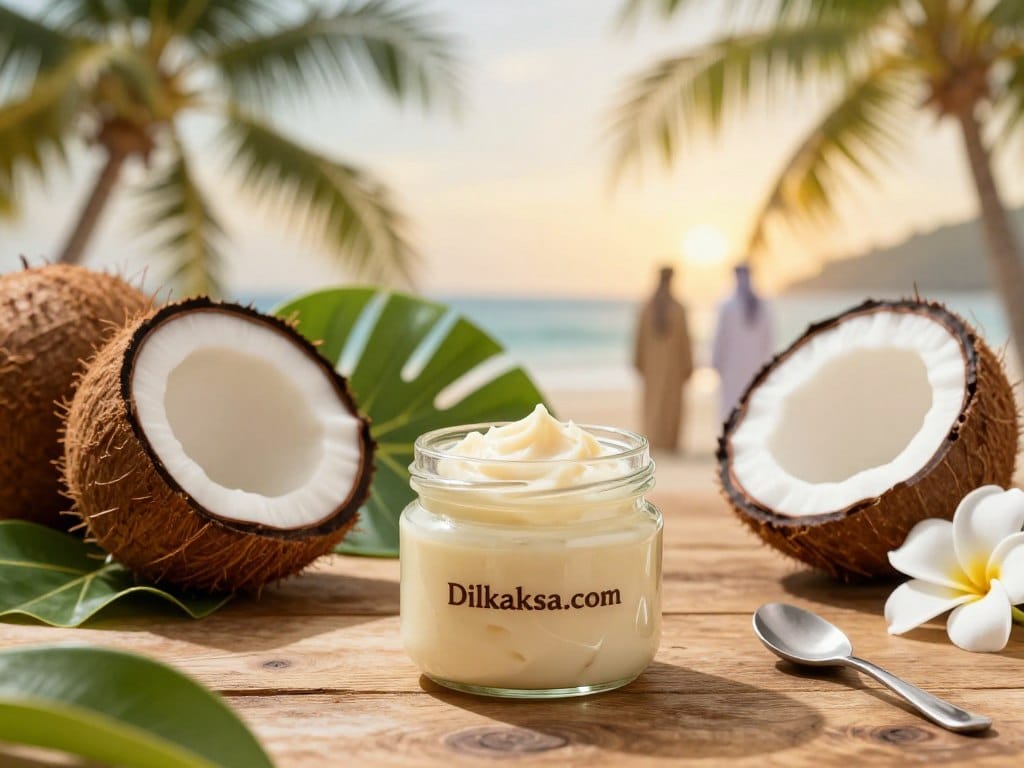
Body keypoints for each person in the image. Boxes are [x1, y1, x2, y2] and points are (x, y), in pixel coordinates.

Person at [633, 266, 693, 452]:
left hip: (653, 369)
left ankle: (656, 441)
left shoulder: (647, 308)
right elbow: (686, 342)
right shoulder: (678, 309)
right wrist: (688, 365)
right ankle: (668, 442)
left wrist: (639, 362)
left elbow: (638, 341)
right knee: (670, 406)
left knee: (654, 405)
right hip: (673, 369)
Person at [711, 263, 774, 423]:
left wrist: (716, 363)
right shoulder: (763, 306)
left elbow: (720, 340)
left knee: (733, 409)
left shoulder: (728, 306)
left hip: (734, 368)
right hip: (752, 368)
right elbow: (769, 340)